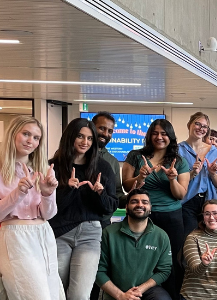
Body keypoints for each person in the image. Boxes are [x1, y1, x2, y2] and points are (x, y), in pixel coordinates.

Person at [0, 115, 62, 299]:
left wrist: (48, 193)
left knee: (51, 294)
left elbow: (49, 214)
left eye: (36, 137)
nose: (30, 141)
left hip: (44, 235)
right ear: (13, 134)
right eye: (26, 134)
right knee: (34, 296)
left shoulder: (42, 170)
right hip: (15, 238)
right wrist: (19, 192)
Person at [49, 118, 119, 300]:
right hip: (59, 233)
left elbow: (110, 207)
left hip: (90, 234)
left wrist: (100, 193)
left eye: (89, 138)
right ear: (70, 137)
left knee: (80, 295)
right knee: (56, 291)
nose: (85, 142)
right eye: (80, 136)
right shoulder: (53, 167)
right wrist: (67, 189)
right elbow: (47, 208)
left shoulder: (102, 167)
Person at [121, 119, 191, 299]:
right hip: (141, 215)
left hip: (171, 217)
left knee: (171, 261)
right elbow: (127, 186)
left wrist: (172, 179)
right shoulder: (135, 156)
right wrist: (140, 177)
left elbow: (180, 194)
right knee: (139, 257)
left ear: (171, 137)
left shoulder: (179, 161)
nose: (159, 137)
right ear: (149, 135)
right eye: (155, 133)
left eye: (164, 134)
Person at [97, 189, 172, 300]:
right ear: (126, 207)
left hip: (148, 291)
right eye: (134, 201)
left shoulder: (161, 236)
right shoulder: (108, 233)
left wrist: (140, 289)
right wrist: (120, 295)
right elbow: (98, 270)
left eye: (145, 202)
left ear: (150, 208)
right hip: (115, 291)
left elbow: (164, 270)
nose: (140, 205)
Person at [91, 111, 123, 300]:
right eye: (101, 128)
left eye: (110, 131)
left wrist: (134, 193)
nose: (105, 133)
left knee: (95, 272)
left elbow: (116, 194)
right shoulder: (73, 154)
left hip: (100, 224)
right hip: (71, 225)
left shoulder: (111, 161)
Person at [179, 112, 217, 236]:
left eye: (205, 126)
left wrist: (213, 174)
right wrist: (192, 173)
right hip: (187, 202)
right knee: (189, 238)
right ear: (189, 125)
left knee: (210, 238)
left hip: (209, 201)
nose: (201, 128)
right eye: (197, 124)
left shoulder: (213, 151)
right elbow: (174, 182)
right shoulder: (179, 150)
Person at [181, 199, 217, 300]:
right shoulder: (193, 238)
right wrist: (204, 263)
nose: (211, 217)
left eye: (215, 213)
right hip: (193, 296)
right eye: (207, 214)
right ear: (203, 218)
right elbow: (196, 272)